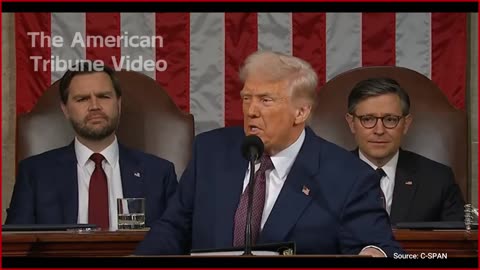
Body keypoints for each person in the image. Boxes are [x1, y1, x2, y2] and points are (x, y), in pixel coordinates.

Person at [135, 51, 403, 257]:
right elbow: (171, 229)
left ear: (301, 112)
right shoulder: (211, 152)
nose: (251, 111)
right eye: (246, 98)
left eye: (265, 100)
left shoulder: (348, 176)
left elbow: (381, 248)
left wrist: (374, 253)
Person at [6, 63, 178, 230]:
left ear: (118, 104)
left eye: (103, 96)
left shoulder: (159, 174)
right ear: (65, 110)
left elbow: (177, 241)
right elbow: (16, 245)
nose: (95, 106)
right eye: (82, 99)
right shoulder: (35, 174)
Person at [344, 78, 465, 224]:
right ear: (352, 124)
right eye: (368, 119)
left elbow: (457, 243)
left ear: (406, 124)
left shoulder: (438, 179)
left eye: (390, 119)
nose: (379, 130)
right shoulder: (323, 177)